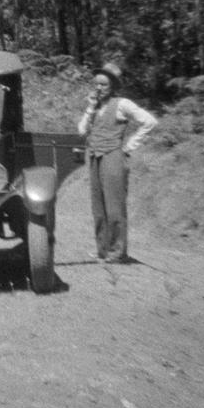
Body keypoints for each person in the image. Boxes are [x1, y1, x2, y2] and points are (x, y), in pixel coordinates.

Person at [77, 62, 158, 263]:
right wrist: (90, 107)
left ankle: (118, 252)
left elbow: (149, 121)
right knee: (98, 207)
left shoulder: (122, 104)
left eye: (104, 85)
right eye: (96, 84)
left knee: (114, 207)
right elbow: (81, 130)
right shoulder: (95, 107)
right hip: (95, 157)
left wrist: (129, 146)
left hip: (113, 157)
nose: (99, 88)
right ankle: (103, 250)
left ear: (112, 86)